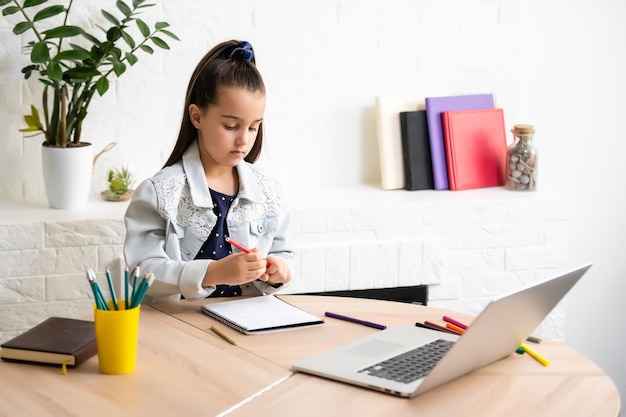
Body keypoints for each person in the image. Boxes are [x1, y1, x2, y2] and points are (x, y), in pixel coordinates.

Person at [124, 40, 294, 303]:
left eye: (253, 127)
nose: (243, 140)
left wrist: (279, 270)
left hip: (248, 321)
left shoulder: (268, 191)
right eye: (230, 126)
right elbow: (141, 271)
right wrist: (211, 273)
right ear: (197, 117)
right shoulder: (159, 192)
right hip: (180, 328)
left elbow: (284, 252)